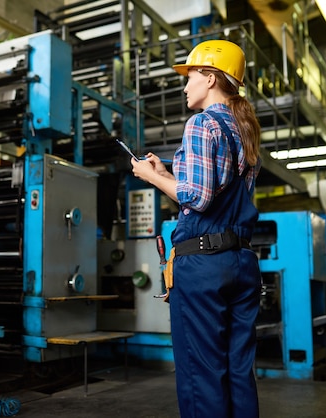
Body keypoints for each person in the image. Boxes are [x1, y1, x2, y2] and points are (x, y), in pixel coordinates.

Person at [130, 39, 262, 418]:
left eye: (189, 78)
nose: (185, 87)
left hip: (203, 268)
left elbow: (198, 199)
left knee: (202, 373)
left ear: (209, 77)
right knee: (238, 372)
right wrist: (169, 173)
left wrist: (149, 177)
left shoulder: (201, 124)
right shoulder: (244, 129)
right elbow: (209, 191)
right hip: (240, 262)